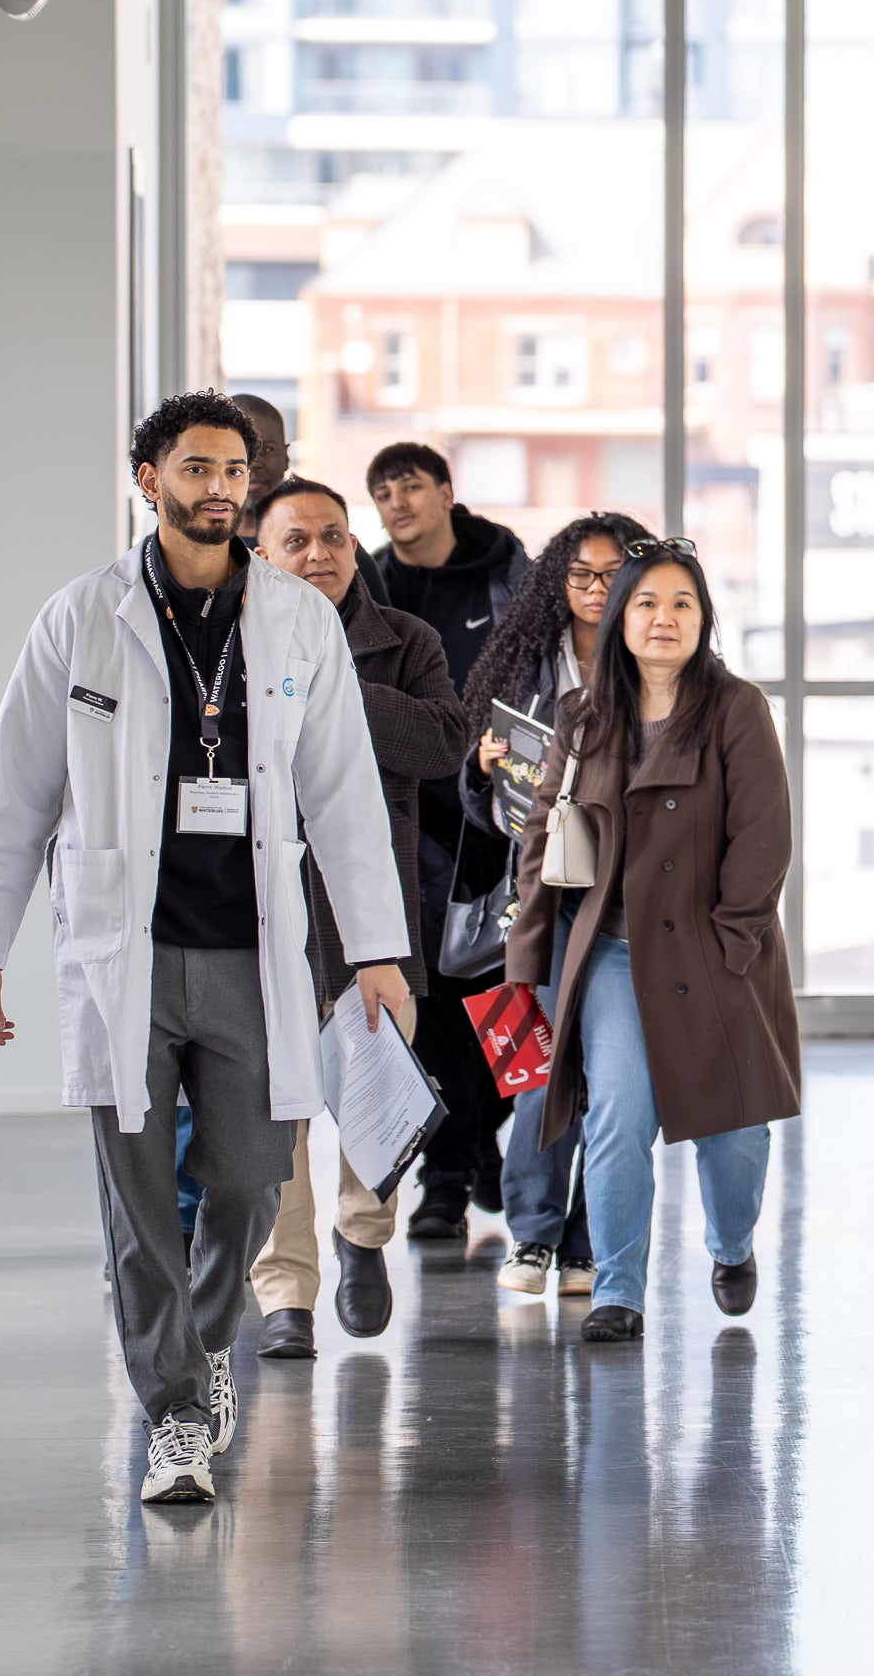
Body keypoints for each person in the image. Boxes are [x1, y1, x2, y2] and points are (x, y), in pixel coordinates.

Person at [0, 392, 415, 1506]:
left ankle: (205, 1342)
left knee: (251, 1178)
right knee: (138, 1198)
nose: (217, 486)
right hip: (126, 953)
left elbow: (345, 795)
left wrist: (377, 948)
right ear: (146, 479)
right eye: (195, 467)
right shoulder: (81, 616)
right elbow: (13, 790)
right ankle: (175, 1416)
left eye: (232, 468)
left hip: (257, 954)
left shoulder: (297, 621)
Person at [503, 541, 803, 1344]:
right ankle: (618, 1290)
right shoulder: (583, 716)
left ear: (704, 620)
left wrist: (736, 941)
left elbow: (764, 836)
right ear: (620, 616)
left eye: (682, 604)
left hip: (715, 948)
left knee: (733, 1127)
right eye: (647, 603)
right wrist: (528, 956)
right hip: (614, 949)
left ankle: (731, 1246)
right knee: (616, 1116)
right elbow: (542, 837)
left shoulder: (736, 707)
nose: (663, 618)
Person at [241, 476, 472, 1358]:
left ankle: (363, 1234)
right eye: (296, 540)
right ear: (261, 553)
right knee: (276, 1108)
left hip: (372, 917)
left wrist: (326, 677)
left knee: (377, 1090)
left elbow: (443, 740)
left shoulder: (403, 639)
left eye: (334, 537)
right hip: (261, 910)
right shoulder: (231, 639)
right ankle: (285, 1292)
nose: (319, 554)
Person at [458, 511, 653, 1297]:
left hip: (628, 899)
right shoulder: (523, 662)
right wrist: (485, 770)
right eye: (581, 576)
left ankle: (584, 1241)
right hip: (544, 893)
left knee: (615, 1079)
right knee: (539, 1064)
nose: (597, 590)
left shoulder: (656, 655)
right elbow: (482, 806)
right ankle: (532, 1235)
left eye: (612, 575)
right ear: (555, 582)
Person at [362, 440, 532, 1239]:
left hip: (495, 818)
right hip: (408, 822)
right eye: (383, 491)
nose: (398, 502)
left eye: (410, 486)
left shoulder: (505, 575)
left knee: (496, 995)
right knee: (428, 1003)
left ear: (445, 492)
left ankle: (484, 1139)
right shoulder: (372, 584)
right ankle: (451, 1170)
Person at [228, 394, 293, 537]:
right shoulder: (188, 545)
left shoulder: (319, 540)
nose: (254, 463)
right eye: (240, 450)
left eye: (267, 449)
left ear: (286, 457)